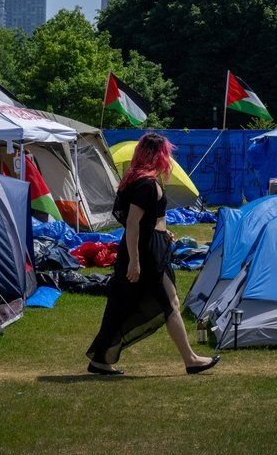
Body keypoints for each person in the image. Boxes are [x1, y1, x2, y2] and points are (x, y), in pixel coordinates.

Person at [86, 133, 219, 376]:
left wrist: (162, 231)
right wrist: (135, 262)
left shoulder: (137, 180)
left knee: (133, 303)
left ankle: (100, 359)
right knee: (168, 303)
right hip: (146, 252)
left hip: (150, 245)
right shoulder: (146, 183)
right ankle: (190, 359)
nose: (168, 158)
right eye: (165, 153)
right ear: (158, 155)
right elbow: (133, 223)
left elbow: (143, 220)